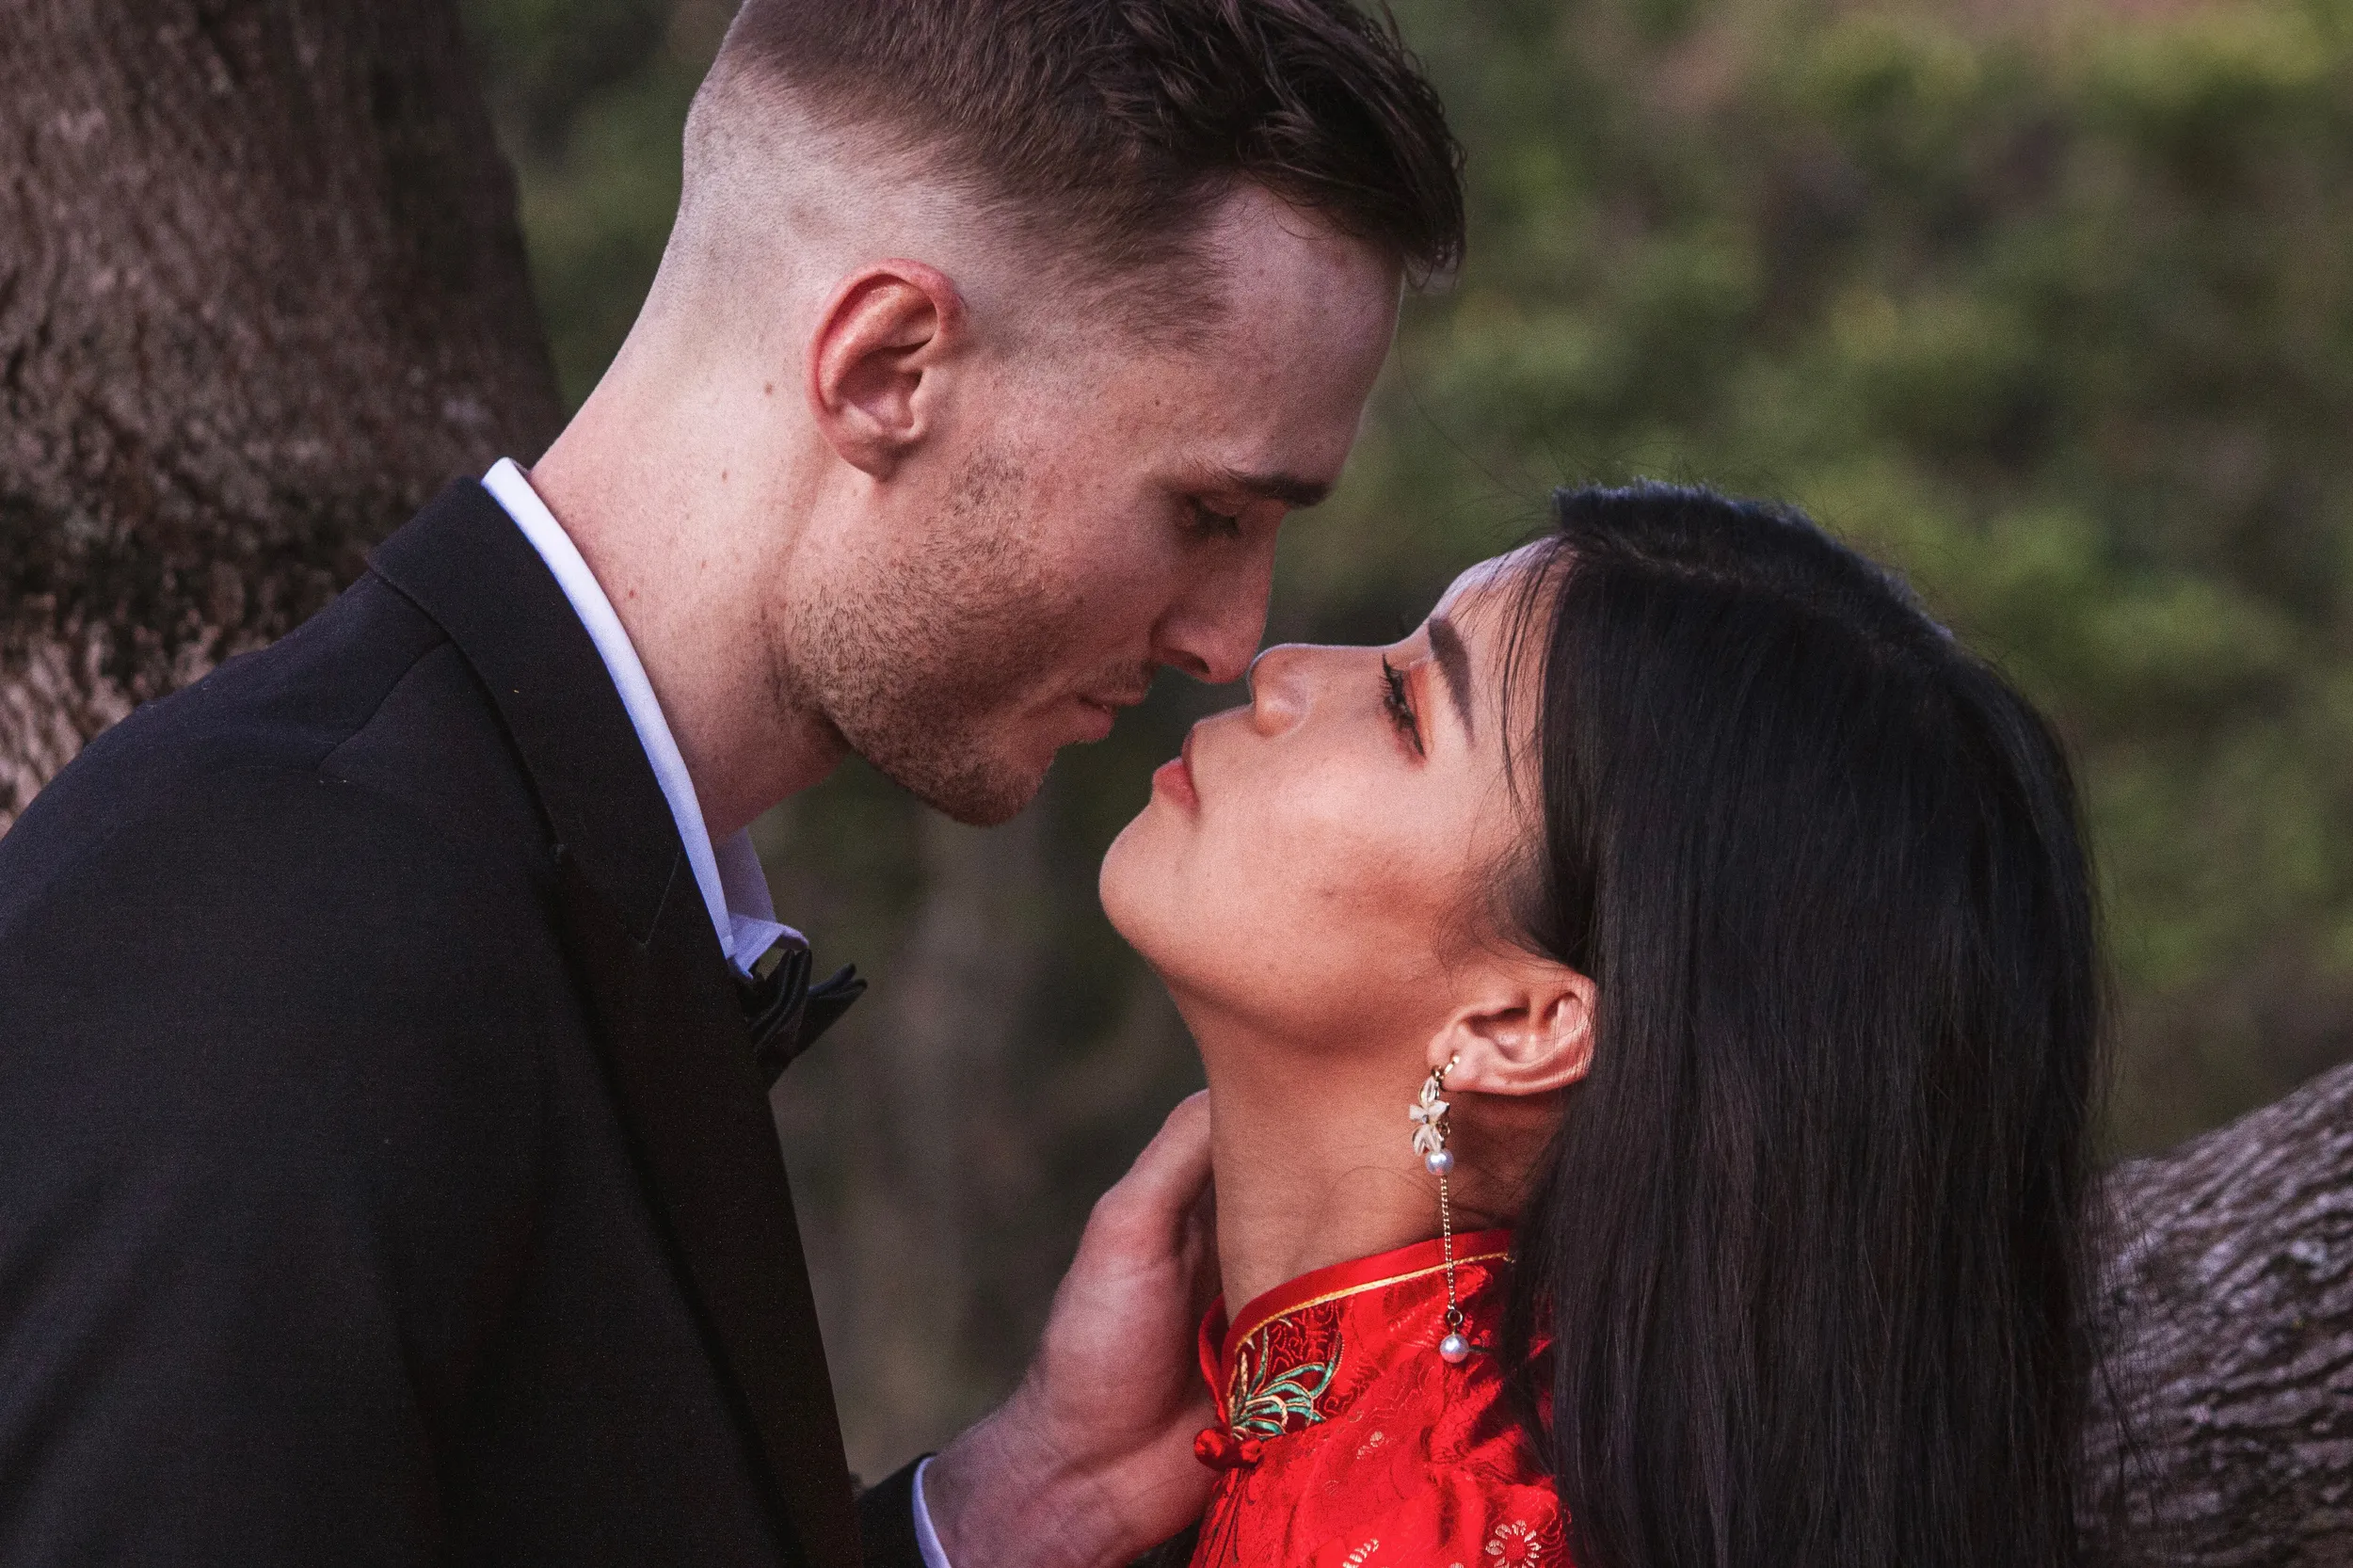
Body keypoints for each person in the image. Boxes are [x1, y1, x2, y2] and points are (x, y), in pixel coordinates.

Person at [0, 4, 1462, 1566]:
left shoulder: (505, 881)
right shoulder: (292, 926)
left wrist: (1021, 1503)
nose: (1227, 638)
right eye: (1205, 512)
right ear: (886, 365)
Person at [1102, 483, 2104, 1568]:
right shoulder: (1376, 1450)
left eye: (1404, 709)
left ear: (1520, 1023)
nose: (1281, 666)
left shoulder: (1448, 1529)